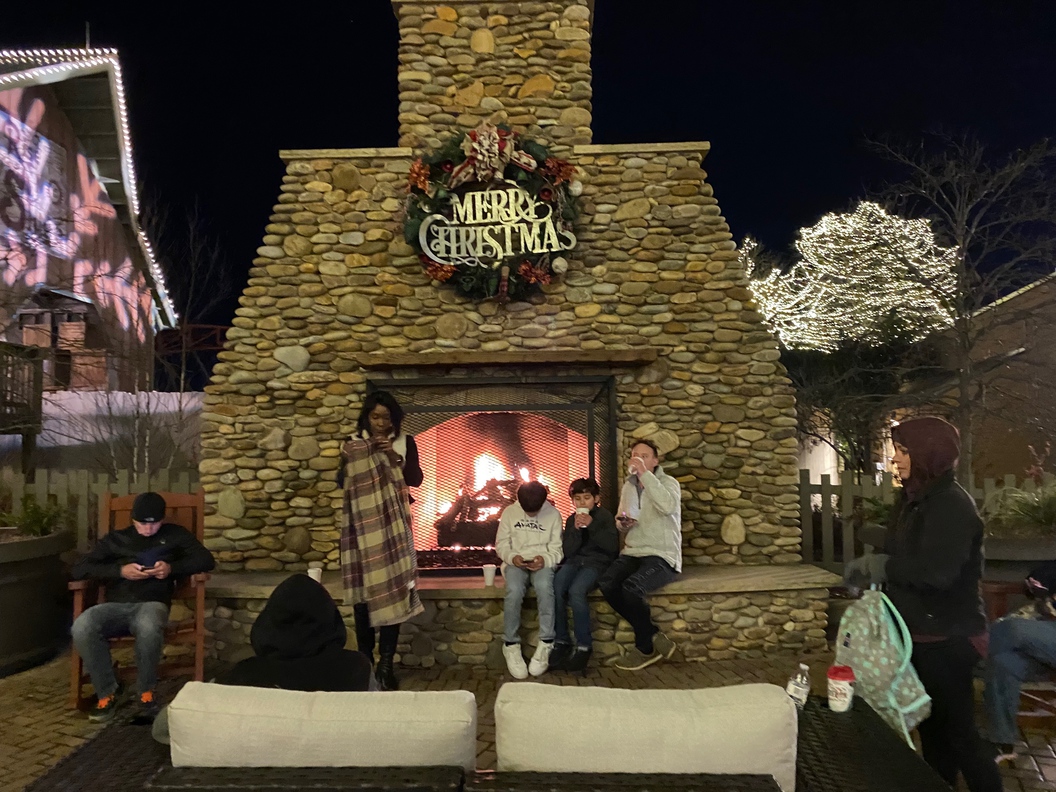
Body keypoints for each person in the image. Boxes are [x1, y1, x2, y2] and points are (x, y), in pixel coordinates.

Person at [843, 417, 1001, 792]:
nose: (894, 458)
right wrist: (872, 540)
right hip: (920, 635)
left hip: (949, 638)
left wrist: (878, 564)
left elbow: (936, 572)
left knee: (961, 736)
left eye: (902, 450)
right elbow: (910, 546)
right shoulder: (914, 498)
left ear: (929, 454)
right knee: (933, 733)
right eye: (896, 450)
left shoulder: (952, 506)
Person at [152, 572, 374, 744]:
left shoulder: (244, 676)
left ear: (267, 624)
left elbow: (163, 726)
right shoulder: (356, 669)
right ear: (331, 622)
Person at [71, 491, 215, 723]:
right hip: (115, 606)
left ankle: (145, 692)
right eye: (142, 524)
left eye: (154, 524)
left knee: (149, 626)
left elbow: (206, 560)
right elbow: (80, 569)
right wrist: (120, 571)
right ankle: (107, 692)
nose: (148, 530)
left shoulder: (175, 535)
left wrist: (171, 568)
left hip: (151, 604)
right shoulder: (116, 540)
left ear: (162, 519)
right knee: (83, 625)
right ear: (133, 520)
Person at [340, 390, 424, 691]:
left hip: (394, 527)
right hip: (362, 525)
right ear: (367, 416)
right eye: (375, 417)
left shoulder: (404, 441)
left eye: (386, 418)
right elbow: (342, 481)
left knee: (395, 590)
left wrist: (391, 455)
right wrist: (363, 454)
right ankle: (366, 663)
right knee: (364, 595)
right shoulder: (352, 442)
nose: (380, 423)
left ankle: (387, 664)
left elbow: (415, 479)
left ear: (394, 419)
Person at [601, 439, 682, 671]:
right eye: (635, 455)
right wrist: (623, 523)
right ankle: (653, 634)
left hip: (662, 554)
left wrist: (646, 475)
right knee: (607, 583)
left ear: (656, 461)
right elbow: (623, 520)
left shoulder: (669, 483)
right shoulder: (628, 486)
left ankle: (644, 648)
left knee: (631, 588)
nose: (639, 459)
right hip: (634, 550)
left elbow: (667, 507)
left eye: (645, 456)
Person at [985, 561, 1056, 765]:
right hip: (1043, 637)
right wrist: (1043, 593)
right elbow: (1033, 582)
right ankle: (1002, 742)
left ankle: (975, 654)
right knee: (1003, 663)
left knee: (1009, 629)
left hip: (1042, 634)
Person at [548, 477, 619, 674]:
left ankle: (584, 645)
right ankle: (561, 640)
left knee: (576, 591)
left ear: (596, 498)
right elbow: (568, 551)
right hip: (574, 561)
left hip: (597, 563)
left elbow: (611, 547)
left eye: (587, 498)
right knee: (557, 586)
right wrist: (577, 531)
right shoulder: (572, 519)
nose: (582, 503)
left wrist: (592, 525)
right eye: (577, 499)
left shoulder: (604, 517)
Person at [495, 480, 563, 679]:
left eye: (534, 511)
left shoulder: (553, 515)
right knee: (514, 591)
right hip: (516, 562)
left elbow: (557, 550)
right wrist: (511, 558)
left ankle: (546, 641)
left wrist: (545, 560)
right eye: (527, 511)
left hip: (543, 562)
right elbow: (501, 544)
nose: (531, 514)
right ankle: (510, 644)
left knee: (544, 587)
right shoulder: (509, 513)